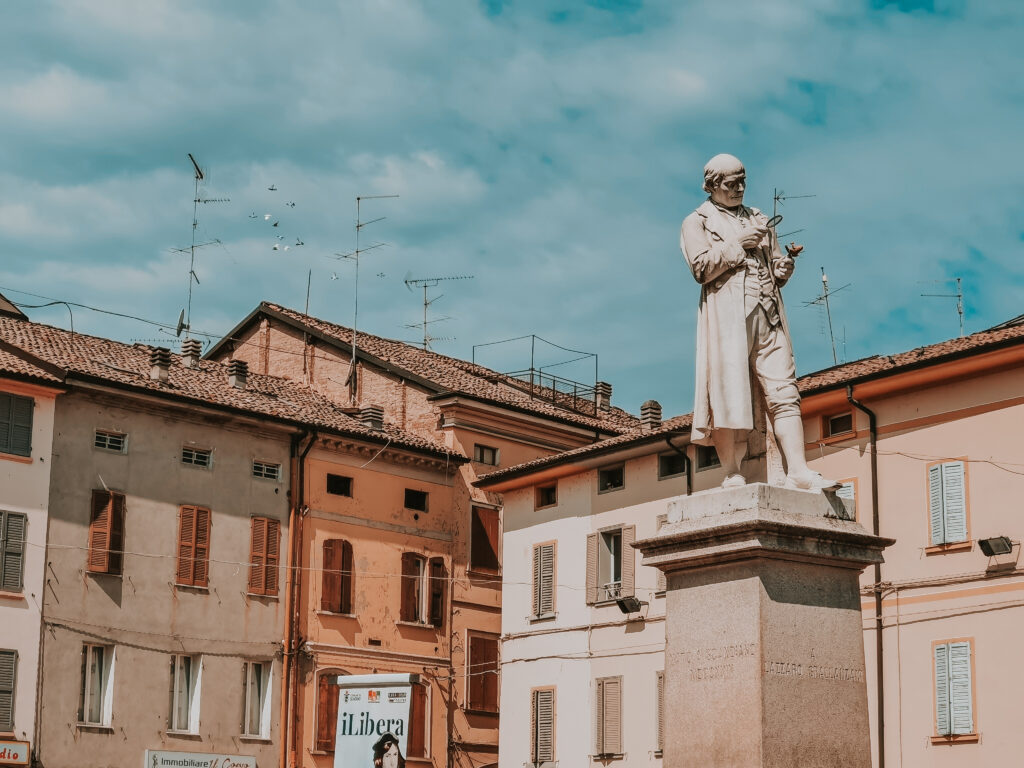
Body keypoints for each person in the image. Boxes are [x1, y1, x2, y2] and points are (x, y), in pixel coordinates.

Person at [680, 153, 837, 491]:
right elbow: (701, 268)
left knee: (785, 391)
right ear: (712, 186)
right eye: (730, 184)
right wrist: (739, 243)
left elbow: (774, 263)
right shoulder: (697, 221)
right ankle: (732, 472)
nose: (738, 189)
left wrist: (782, 270)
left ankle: (798, 469)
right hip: (728, 316)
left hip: (769, 312)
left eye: (742, 183)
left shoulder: (759, 218)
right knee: (728, 392)